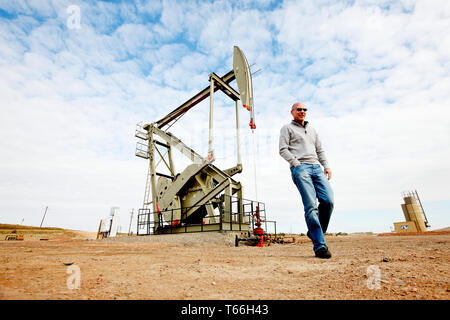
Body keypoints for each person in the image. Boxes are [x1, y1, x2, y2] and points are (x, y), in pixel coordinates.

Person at [279, 102, 334, 259]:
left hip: (317, 167)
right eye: (299, 109)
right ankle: (320, 246)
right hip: (301, 168)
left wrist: (326, 166)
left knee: (328, 201)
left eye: (304, 109)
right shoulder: (287, 128)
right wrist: (297, 164)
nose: (302, 111)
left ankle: (314, 232)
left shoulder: (312, 130)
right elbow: (283, 149)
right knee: (310, 206)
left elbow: (320, 149)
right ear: (292, 112)